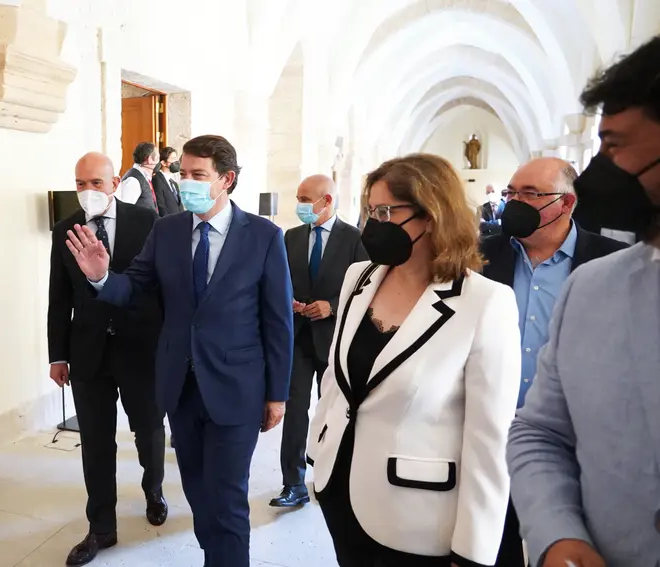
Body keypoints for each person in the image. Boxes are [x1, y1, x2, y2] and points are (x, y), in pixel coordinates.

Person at [64, 135, 293, 567]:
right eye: (182, 174)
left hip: (236, 388)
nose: (185, 182)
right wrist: (100, 277)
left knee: (227, 499)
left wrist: (278, 393)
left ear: (226, 180)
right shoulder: (165, 230)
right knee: (199, 493)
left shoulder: (264, 236)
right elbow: (134, 286)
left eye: (197, 175)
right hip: (181, 387)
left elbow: (278, 321)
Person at [306, 153, 521, 567]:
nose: (374, 224)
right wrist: (318, 449)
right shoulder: (360, 277)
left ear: (431, 215)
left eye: (387, 211)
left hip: (415, 515)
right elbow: (337, 374)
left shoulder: (484, 302)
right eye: (371, 211)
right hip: (341, 488)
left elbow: (489, 437)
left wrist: (473, 549)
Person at [507, 35, 660, 567]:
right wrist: (558, 535)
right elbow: (541, 430)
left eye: (615, 146)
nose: (603, 169)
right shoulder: (597, 287)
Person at [481, 157, 627, 566]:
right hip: (487, 433)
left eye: (531, 194)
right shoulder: (478, 258)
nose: (515, 202)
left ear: (566, 204)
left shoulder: (610, 264)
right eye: (511, 193)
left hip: (571, 443)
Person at [48, 152, 167, 566]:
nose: (87, 192)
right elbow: (59, 297)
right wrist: (57, 354)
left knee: (148, 429)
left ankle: (154, 490)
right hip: (88, 353)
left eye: (96, 183)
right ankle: (101, 527)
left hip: (140, 348)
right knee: (95, 443)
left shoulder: (147, 223)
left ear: (115, 183)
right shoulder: (66, 229)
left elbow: (160, 289)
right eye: (80, 184)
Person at [271, 174, 368, 508]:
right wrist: (291, 302)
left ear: (326, 201)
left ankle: (331, 477)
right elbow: (279, 281)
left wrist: (333, 307)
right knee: (295, 409)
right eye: (298, 198)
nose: (299, 205)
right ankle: (293, 482)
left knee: (334, 411)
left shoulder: (354, 239)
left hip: (334, 340)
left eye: (305, 199)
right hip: (298, 338)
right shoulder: (291, 237)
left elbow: (367, 289)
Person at [118, 142, 160, 212]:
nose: (159, 162)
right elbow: (124, 210)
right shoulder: (133, 181)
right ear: (149, 159)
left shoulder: (144, 177)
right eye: (157, 158)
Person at [153, 146, 182, 217]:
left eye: (176, 158)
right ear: (163, 163)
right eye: (173, 159)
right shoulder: (157, 179)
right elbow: (161, 206)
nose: (176, 161)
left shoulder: (173, 182)